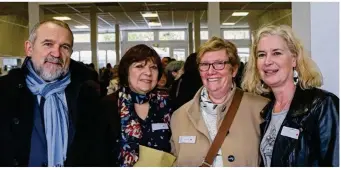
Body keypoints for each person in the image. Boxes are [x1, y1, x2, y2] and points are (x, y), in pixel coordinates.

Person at [0, 20, 105, 166]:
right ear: (29, 48)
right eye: (48, 44)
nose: (56, 53)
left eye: (65, 47)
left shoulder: (87, 96)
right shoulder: (4, 92)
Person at [242, 25, 339, 167]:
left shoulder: (322, 105)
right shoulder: (266, 111)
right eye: (261, 55)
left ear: (294, 59)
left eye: (276, 53)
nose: (268, 61)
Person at [170, 37, 269, 166]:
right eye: (205, 65)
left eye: (219, 64)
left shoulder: (260, 109)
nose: (211, 71)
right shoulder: (179, 117)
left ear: (233, 70)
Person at [98, 44, 173, 167]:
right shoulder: (106, 106)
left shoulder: (168, 105)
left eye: (153, 67)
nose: (148, 72)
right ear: (126, 71)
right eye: (139, 66)